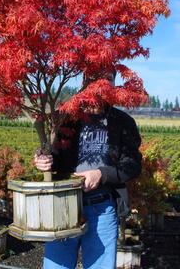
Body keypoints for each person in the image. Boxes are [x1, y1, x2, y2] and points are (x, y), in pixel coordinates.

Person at [34, 71, 142, 269]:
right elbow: (53, 154)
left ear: (113, 82)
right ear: (84, 80)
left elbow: (133, 164)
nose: (101, 83)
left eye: (107, 78)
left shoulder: (123, 122)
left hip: (102, 208)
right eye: (94, 76)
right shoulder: (66, 118)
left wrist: (102, 174)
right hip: (63, 205)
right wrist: (43, 158)